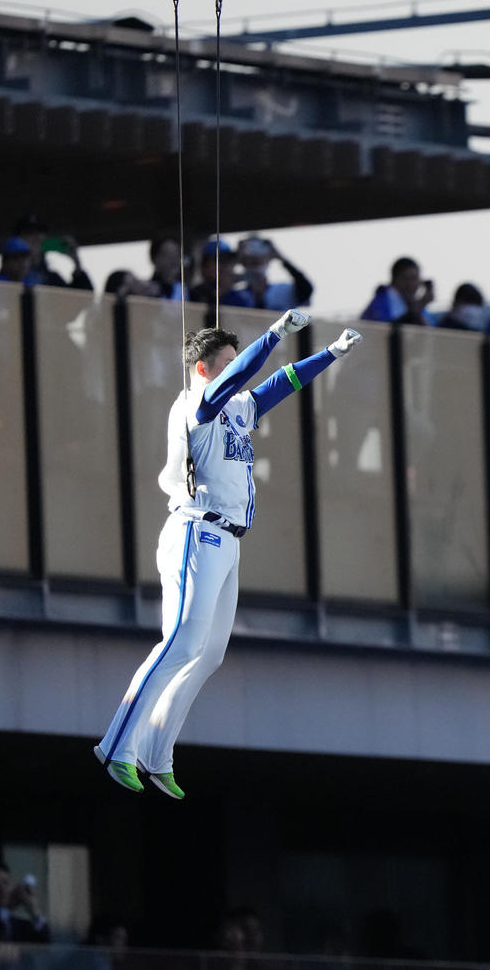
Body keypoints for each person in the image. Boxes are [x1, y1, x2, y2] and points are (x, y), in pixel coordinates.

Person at [94, 312, 363, 798]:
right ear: (203, 368)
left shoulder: (236, 406)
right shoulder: (197, 402)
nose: (235, 369)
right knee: (180, 641)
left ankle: (157, 754)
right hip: (197, 530)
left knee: (209, 653)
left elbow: (279, 385)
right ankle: (117, 746)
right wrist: (276, 334)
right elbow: (243, 374)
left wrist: (331, 354)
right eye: (226, 361)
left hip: (229, 540)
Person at [12, 213, 92, 290]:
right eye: (29, 232)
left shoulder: (53, 279)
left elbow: (84, 298)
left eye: (41, 232)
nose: (36, 237)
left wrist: (76, 264)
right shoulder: (8, 275)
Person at [236, 235, 314, 310]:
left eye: (260, 256)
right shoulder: (236, 296)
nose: (255, 260)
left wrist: (281, 258)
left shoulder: (284, 291)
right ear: (243, 261)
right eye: (249, 258)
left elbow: (306, 289)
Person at [361, 256, 433, 325]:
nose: (412, 284)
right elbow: (389, 331)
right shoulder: (381, 303)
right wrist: (418, 308)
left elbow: (429, 331)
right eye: (407, 278)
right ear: (395, 279)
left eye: (415, 279)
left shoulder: (411, 304)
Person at [189, 239, 254, 314]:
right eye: (221, 261)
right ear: (204, 266)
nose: (226, 267)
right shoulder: (192, 295)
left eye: (229, 261)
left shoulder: (242, 297)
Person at [146, 231, 186, 300]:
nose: (173, 261)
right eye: (167, 255)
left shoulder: (187, 293)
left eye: (176, 255)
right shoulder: (145, 291)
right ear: (154, 259)